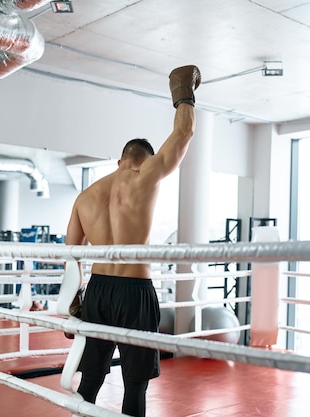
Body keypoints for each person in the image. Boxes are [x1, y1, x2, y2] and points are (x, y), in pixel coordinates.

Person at [64, 65, 201, 417]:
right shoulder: (145, 177)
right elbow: (183, 133)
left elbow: (71, 255)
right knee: (135, 382)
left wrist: (72, 304)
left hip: (97, 291)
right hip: (134, 292)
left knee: (90, 378)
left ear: (120, 158)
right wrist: (183, 89)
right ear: (144, 160)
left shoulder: (85, 197)